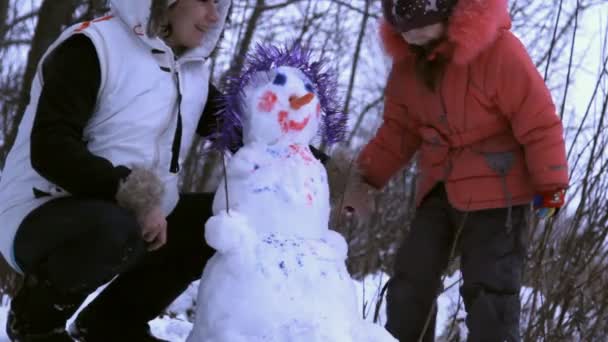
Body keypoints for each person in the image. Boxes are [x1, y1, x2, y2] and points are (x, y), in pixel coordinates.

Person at [0, 0, 231, 340]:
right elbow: (52, 150)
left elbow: (250, 132)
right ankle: (35, 323)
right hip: (41, 211)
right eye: (204, 1)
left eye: (220, 5)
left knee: (219, 222)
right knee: (117, 228)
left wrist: (334, 174)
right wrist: (133, 195)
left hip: (133, 219)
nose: (214, 17)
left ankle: (110, 323)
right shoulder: (94, 45)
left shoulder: (190, 72)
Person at [339, 0, 569, 341]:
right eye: (402, 22)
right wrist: (362, 180)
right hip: (440, 190)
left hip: (500, 196)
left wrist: (552, 184)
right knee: (410, 278)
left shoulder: (499, 53)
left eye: (419, 20)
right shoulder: (407, 66)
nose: (411, 31)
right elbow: (397, 133)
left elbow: (538, 122)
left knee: (490, 291)